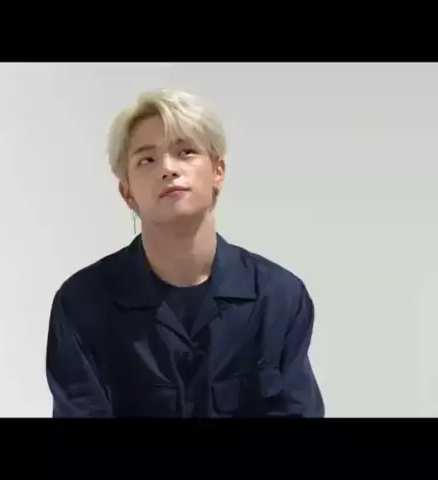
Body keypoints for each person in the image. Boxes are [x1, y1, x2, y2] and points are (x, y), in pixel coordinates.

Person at [45, 88, 325, 417]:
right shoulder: (82, 303)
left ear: (218, 171)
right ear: (127, 192)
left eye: (186, 152)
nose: (168, 168)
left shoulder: (278, 297)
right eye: (147, 160)